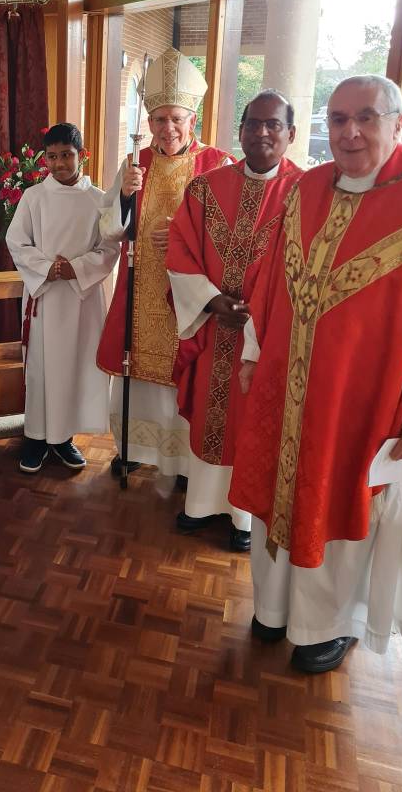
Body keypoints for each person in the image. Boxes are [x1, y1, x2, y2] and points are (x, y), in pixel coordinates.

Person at [230, 74, 402, 673]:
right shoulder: (307, 186)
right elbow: (266, 279)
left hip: (360, 397)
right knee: (274, 494)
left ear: (398, 124)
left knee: (336, 501)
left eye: (367, 117)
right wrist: (254, 351)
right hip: (284, 383)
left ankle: (326, 624)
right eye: (337, 119)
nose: (351, 132)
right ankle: (275, 607)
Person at [167, 91, 302, 552]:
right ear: (240, 130)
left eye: (273, 125)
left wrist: (257, 315)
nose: (262, 133)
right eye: (253, 123)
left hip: (266, 336)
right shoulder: (204, 188)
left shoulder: (306, 195)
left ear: (291, 134)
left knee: (253, 421)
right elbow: (180, 248)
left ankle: (244, 517)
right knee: (209, 411)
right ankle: (201, 504)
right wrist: (209, 300)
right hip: (212, 325)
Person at [97, 48, 232, 482]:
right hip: (141, 287)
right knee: (137, 368)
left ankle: (183, 464)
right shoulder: (136, 163)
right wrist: (122, 196)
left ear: (192, 118)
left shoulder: (217, 165)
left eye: (176, 118)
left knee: (184, 372)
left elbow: (230, 236)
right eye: (158, 119)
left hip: (189, 295)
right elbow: (108, 231)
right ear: (148, 122)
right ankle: (135, 450)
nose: (167, 128)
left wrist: (182, 234)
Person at [6, 123, 119, 474]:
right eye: (52, 157)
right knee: (41, 369)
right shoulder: (34, 197)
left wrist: (75, 269)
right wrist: (48, 269)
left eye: (66, 156)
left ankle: (63, 438)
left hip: (82, 300)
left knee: (74, 368)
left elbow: (110, 246)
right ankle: (36, 438)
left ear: (80, 155)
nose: (58, 164)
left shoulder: (98, 199)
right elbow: (17, 242)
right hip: (45, 297)